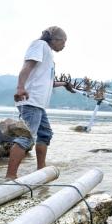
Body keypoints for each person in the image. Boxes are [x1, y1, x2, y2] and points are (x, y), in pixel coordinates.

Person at [6, 26, 74, 179]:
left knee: (45, 134)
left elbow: (47, 81)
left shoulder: (48, 53)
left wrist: (64, 84)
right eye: (64, 42)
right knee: (26, 137)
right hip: (31, 101)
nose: (64, 46)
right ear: (55, 40)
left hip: (39, 105)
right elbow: (27, 66)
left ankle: (40, 169)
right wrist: (20, 87)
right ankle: (10, 177)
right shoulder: (40, 45)